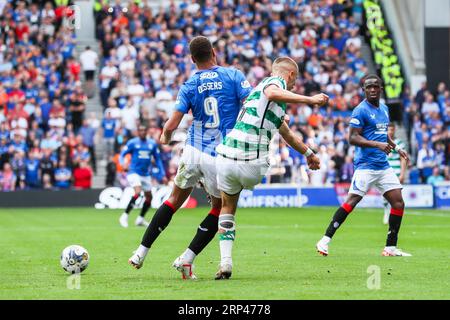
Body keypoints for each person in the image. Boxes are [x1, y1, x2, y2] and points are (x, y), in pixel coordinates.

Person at [127, 36, 252, 278]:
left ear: (193, 59)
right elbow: (249, 105)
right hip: (221, 155)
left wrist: (164, 136)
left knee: (173, 200)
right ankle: (190, 257)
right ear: (214, 52)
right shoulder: (234, 75)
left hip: (193, 150)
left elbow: (173, 123)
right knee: (220, 208)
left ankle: (140, 252)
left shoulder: (190, 84)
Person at [214, 56, 328, 279]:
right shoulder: (272, 83)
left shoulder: (261, 99)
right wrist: (309, 100)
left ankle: (225, 261)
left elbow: (288, 134)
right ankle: (224, 263)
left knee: (226, 207)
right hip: (253, 164)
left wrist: (309, 153)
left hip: (226, 159)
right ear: (291, 75)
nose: (293, 86)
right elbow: (274, 92)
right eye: (294, 81)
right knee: (232, 200)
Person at [316, 75, 411, 258]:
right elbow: (352, 138)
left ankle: (390, 248)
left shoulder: (383, 109)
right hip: (366, 166)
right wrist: (378, 145)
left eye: (376, 86)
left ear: (381, 89)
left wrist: (397, 148)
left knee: (398, 202)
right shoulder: (360, 110)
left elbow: (383, 134)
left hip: (382, 166)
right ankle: (325, 239)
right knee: (352, 202)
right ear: (364, 90)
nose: (373, 90)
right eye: (369, 87)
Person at [119, 124, 166, 228]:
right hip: (133, 172)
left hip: (145, 174)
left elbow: (157, 159)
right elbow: (122, 154)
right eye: (140, 130)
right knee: (138, 192)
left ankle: (140, 219)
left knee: (149, 197)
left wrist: (162, 174)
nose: (142, 132)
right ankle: (124, 216)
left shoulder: (152, 144)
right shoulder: (132, 143)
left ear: (147, 131)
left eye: (144, 130)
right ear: (137, 132)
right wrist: (122, 163)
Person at [383, 122, 407, 224]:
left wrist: (402, 173)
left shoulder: (399, 143)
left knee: (396, 196)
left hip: (396, 172)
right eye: (389, 129)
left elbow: (403, 159)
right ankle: (386, 212)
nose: (391, 131)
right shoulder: (381, 143)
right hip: (385, 171)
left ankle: (394, 214)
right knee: (385, 194)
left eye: (393, 130)